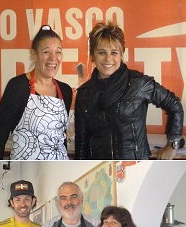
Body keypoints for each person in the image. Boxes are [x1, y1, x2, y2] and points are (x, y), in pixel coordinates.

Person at [75, 21, 184, 160]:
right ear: (92, 56)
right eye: (102, 52)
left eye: (114, 52)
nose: (108, 58)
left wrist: (172, 145)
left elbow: (174, 105)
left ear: (121, 55)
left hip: (135, 165)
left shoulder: (138, 83)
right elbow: (81, 142)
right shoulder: (85, 93)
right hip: (99, 169)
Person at [0, 25, 73, 159]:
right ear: (33, 55)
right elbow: (0, 137)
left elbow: (61, 138)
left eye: (58, 52)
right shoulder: (17, 87)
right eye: (46, 52)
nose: (53, 58)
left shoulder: (66, 91)